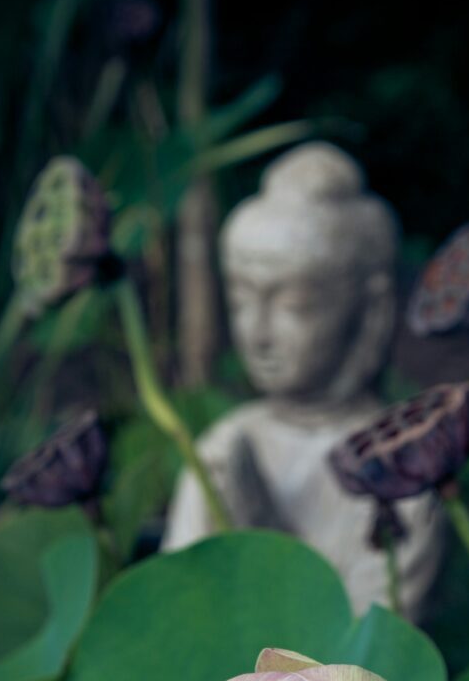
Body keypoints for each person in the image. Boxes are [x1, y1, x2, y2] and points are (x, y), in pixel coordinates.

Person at [163, 142, 445, 621]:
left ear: (371, 306)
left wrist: (264, 534)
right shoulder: (221, 450)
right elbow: (175, 614)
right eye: (241, 301)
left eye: (294, 306)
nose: (258, 332)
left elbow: (373, 653)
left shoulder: (402, 473)